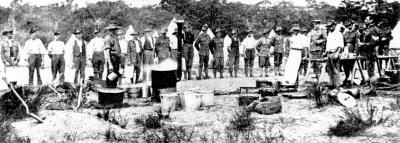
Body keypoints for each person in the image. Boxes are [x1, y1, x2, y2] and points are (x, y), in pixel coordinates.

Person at [359, 15, 379, 86]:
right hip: (367, 53)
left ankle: (373, 89)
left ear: (371, 20)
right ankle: (371, 87)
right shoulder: (368, 29)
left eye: (367, 19)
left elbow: (374, 43)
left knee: (371, 71)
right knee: (369, 70)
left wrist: (362, 44)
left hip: (371, 53)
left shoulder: (373, 29)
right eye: (365, 19)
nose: (365, 20)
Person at [325, 22, 344, 88]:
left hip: (335, 52)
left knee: (336, 70)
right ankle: (331, 84)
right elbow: (328, 44)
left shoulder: (338, 34)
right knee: (329, 70)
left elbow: (340, 45)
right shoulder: (329, 33)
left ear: (334, 26)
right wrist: (326, 53)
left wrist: (337, 53)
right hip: (329, 53)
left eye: (331, 26)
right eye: (329, 26)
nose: (330, 27)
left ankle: (337, 85)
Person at [104, 22, 122, 88]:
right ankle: (109, 91)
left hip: (116, 60)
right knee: (111, 77)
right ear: (109, 30)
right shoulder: (107, 38)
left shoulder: (116, 38)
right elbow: (107, 52)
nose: (114, 31)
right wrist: (110, 64)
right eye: (112, 30)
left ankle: (114, 90)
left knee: (115, 76)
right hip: (112, 59)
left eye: (115, 30)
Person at [342, 21, 360, 86]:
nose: (349, 26)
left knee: (351, 64)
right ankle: (347, 77)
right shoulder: (346, 33)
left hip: (352, 50)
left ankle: (351, 78)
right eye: (348, 25)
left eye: (350, 25)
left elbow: (357, 43)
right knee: (345, 64)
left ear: (353, 25)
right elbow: (343, 42)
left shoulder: (356, 33)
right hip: (346, 50)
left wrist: (356, 52)